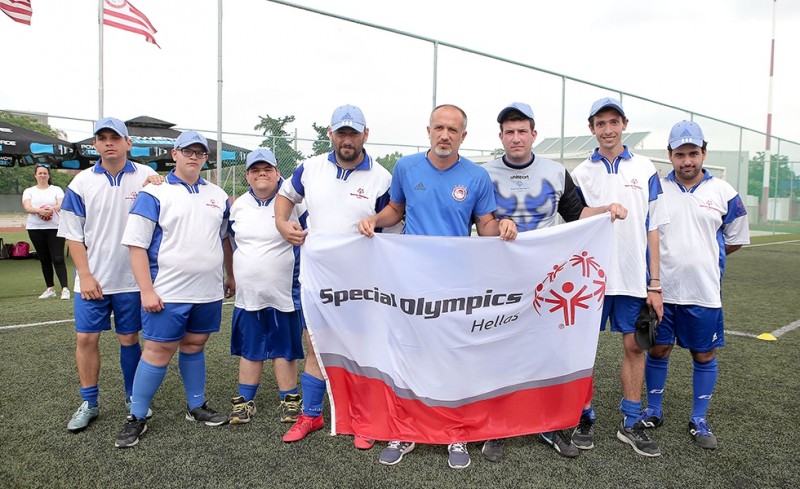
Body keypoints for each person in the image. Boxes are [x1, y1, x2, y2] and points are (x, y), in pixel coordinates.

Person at [359, 104, 517, 470]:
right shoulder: (406, 168)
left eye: (453, 130)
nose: (445, 135)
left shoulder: (476, 176)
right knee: (408, 353)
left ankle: (454, 431)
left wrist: (504, 225)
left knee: (452, 355)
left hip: (455, 283)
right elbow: (396, 210)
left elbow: (485, 225)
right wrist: (374, 219)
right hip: (409, 280)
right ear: (428, 131)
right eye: (439, 128)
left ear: (464, 136)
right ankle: (404, 430)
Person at [480, 102, 627, 461]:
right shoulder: (482, 174)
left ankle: (550, 424)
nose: (516, 138)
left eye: (522, 131)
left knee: (549, 352)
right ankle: (499, 426)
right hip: (500, 280)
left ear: (534, 134)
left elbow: (576, 214)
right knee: (501, 351)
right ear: (501, 136)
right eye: (509, 132)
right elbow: (477, 222)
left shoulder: (556, 172)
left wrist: (606, 209)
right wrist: (497, 225)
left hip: (547, 280)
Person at [275, 104, 398, 450]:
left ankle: (364, 419)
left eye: (353, 133)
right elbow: (285, 197)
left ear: (365, 135)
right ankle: (311, 414)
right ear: (331, 134)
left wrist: (376, 220)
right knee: (315, 343)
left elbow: (393, 215)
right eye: (341, 132)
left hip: (361, 282)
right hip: (318, 277)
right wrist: (282, 223)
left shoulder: (381, 177)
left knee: (360, 347)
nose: (347, 140)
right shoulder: (310, 167)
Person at [114, 130, 232, 448]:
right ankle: (136, 415)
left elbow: (224, 239)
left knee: (195, 344)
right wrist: (146, 290)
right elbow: (136, 245)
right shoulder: (154, 193)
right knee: (157, 350)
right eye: (187, 151)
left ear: (206, 158)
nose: (194, 157)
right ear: (174, 154)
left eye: (200, 152)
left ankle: (196, 405)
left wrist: (230, 275)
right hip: (168, 291)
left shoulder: (218, 195)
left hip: (207, 291)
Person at [569, 98, 669, 457]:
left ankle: (630, 421)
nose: (608, 129)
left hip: (632, 277)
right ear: (592, 128)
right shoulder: (580, 173)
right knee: (583, 351)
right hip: (590, 279)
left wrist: (655, 284)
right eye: (601, 123)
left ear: (624, 124)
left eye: (613, 122)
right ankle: (584, 416)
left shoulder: (646, 168)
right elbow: (573, 222)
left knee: (635, 347)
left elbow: (653, 228)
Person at [641, 121, 749, 450]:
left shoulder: (724, 192)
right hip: (662, 291)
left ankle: (699, 418)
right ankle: (654, 409)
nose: (687, 160)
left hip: (704, 291)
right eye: (680, 154)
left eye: (693, 153)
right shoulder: (657, 189)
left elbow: (735, 238)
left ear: (704, 153)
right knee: (659, 349)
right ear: (669, 155)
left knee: (703, 353)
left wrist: (704, 256)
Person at [58, 117, 159, 433]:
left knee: (129, 338)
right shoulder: (81, 182)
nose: (108, 143)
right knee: (86, 338)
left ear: (129, 143)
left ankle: (133, 397)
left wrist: (160, 184)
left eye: (115, 137)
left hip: (132, 279)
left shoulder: (147, 176)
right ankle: (89, 402)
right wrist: (85, 275)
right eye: (102, 138)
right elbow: (73, 235)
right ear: (95, 145)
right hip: (93, 279)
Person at [225, 148, 306, 425]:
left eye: (267, 169)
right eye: (255, 170)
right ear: (247, 176)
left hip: (285, 292)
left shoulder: (295, 203)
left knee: (285, 348)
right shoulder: (237, 206)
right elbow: (230, 240)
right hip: (248, 295)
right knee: (250, 348)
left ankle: (290, 400)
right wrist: (231, 275)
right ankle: (245, 401)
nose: (262, 174)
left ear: (277, 173)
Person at [22, 163, 69, 300]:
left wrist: (50, 209)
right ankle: (50, 288)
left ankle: (65, 288)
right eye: (40, 173)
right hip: (35, 228)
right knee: (44, 258)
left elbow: (61, 204)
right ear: (35, 175)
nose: (42, 175)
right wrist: (39, 211)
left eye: (45, 173)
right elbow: (27, 207)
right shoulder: (29, 191)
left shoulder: (56, 189)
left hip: (55, 227)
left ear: (48, 175)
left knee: (58, 258)